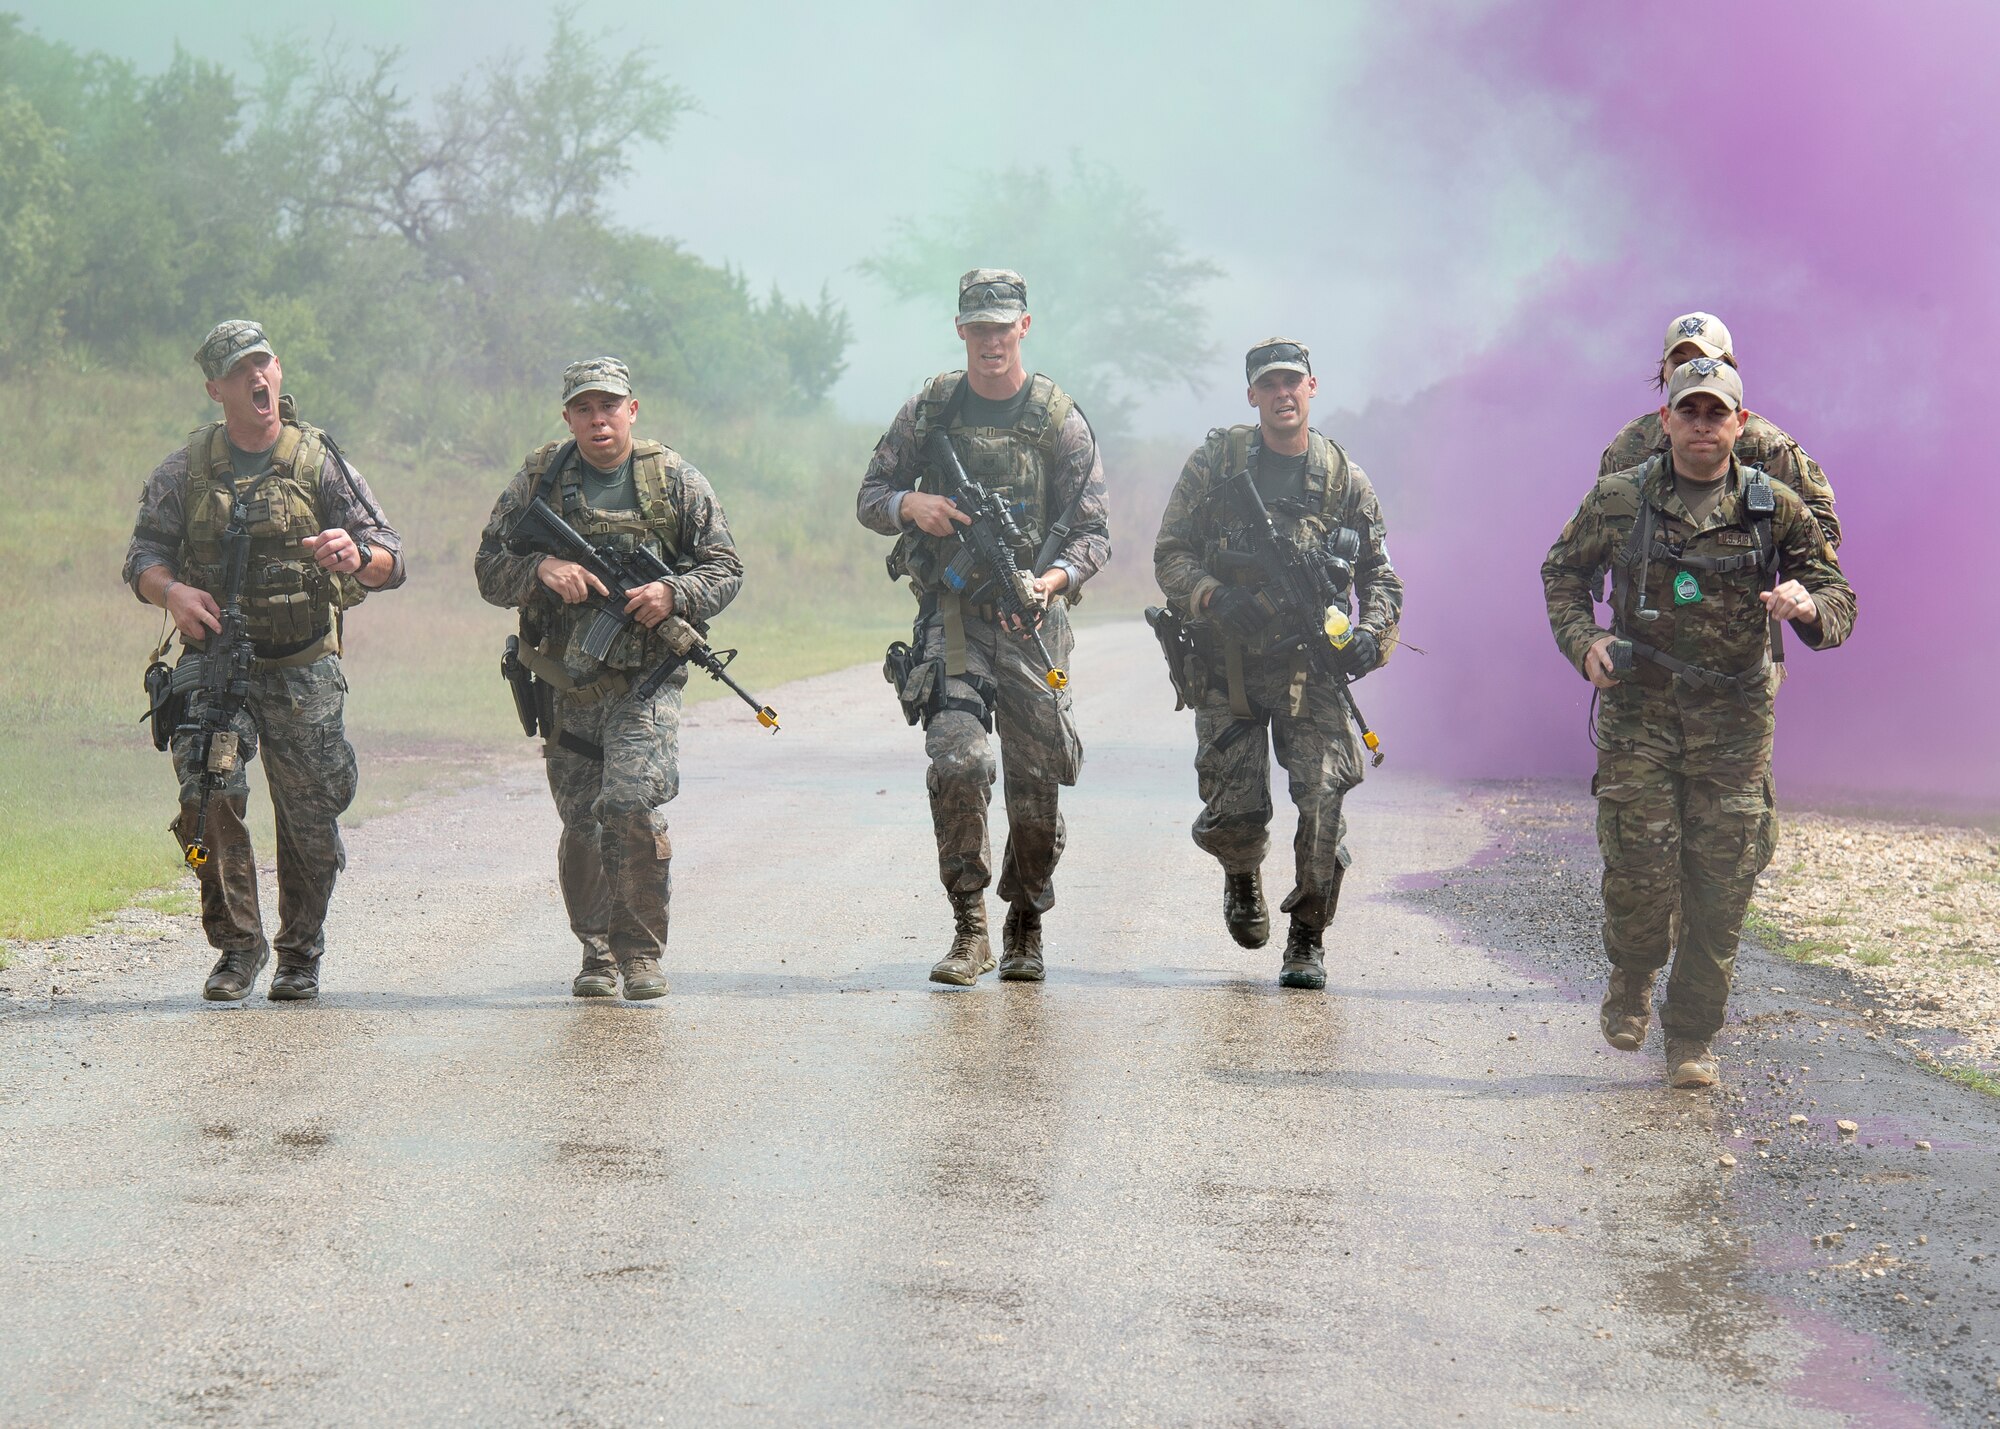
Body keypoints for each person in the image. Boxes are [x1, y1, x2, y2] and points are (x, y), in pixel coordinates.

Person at [1544, 357, 1855, 1088]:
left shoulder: (1772, 505)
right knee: (1641, 872)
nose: (1704, 425)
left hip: (1736, 719)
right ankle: (1631, 976)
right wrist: (1584, 641)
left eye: (1718, 412)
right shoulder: (1620, 499)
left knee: (1721, 887)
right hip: (1640, 712)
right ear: (1668, 420)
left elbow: (1835, 587)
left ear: (1739, 424)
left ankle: (1690, 1038)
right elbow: (1561, 572)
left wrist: (1809, 608)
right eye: (1691, 410)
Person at [124, 319, 404, 1002]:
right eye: (238, 368)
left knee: (310, 817)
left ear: (276, 371)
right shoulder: (186, 468)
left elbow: (392, 560)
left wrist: (358, 556)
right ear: (216, 387)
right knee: (207, 790)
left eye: (263, 364)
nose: (256, 377)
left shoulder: (320, 462)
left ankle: (301, 951)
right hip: (216, 663)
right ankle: (237, 947)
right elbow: (142, 557)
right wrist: (172, 591)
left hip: (304, 663)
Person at [857, 269, 1109, 986]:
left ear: (1024, 327)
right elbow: (870, 496)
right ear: (961, 329)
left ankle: (1024, 918)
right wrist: (915, 505)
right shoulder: (929, 410)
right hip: (954, 624)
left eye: (1004, 326)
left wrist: (1048, 581)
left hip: (1033, 626)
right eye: (979, 326)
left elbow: (1094, 537)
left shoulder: (1058, 419)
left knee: (1037, 788)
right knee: (960, 763)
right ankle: (970, 929)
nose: (991, 339)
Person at [474, 358, 743, 1001]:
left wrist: (674, 593)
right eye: (585, 409)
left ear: (633, 409)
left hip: (646, 682)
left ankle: (641, 954)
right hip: (567, 684)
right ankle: (596, 949)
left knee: (630, 805)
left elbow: (726, 568)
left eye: (610, 406)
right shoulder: (541, 477)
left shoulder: (673, 479)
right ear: (567, 417)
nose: (599, 421)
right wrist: (540, 568)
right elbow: (489, 567)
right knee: (582, 823)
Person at [1152, 338, 1403, 989]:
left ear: (1312, 388)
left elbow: (1382, 576)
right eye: (1269, 384)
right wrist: (1211, 595)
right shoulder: (1216, 464)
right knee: (1235, 811)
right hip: (1227, 664)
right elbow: (1171, 551)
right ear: (1252, 396)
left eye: (1293, 381)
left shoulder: (1344, 479)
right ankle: (1241, 872)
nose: (1282, 393)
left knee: (1324, 794)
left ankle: (1308, 936)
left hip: (1309, 669)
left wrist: (1371, 635)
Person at [1599, 312, 1841, 549]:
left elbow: (1823, 533)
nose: (1694, 369)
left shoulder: (1767, 445)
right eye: (1680, 362)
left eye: (1707, 360)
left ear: (1730, 367)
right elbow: (1596, 530)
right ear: (1664, 370)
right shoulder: (1631, 443)